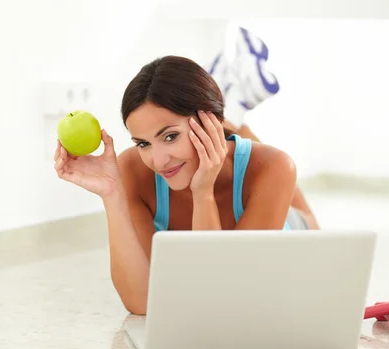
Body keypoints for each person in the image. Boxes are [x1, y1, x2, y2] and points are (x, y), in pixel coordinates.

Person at [54, 27, 319, 315]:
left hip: (291, 230)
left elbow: (223, 297)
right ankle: (235, 105)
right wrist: (111, 195)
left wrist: (202, 192)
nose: (158, 161)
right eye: (143, 143)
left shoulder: (275, 167)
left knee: (308, 219)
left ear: (210, 124)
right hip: (223, 147)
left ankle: (234, 111)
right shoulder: (132, 168)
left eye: (170, 136)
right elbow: (142, 303)